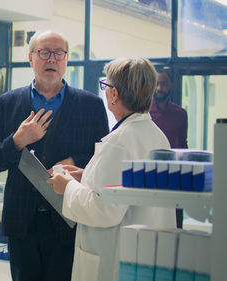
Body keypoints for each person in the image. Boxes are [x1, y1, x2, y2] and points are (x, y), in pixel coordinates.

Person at [0, 30, 109, 281]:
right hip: (22, 223)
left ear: (66, 59)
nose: (52, 59)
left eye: (58, 53)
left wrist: (75, 162)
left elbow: (102, 160)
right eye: (44, 52)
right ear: (30, 58)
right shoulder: (8, 103)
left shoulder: (90, 104)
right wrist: (17, 141)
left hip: (68, 219)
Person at [47, 57, 176, 281]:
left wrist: (67, 187)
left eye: (105, 86)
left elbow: (104, 210)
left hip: (114, 256)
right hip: (144, 253)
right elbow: (126, 189)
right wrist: (85, 176)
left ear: (114, 94)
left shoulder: (120, 141)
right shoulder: (156, 135)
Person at [149, 69, 188, 228]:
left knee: (176, 221)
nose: (159, 88)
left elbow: (183, 143)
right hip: (151, 173)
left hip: (175, 174)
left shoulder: (180, 113)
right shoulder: (145, 113)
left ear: (170, 85)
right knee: (153, 218)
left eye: (163, 83)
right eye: (156, 84)